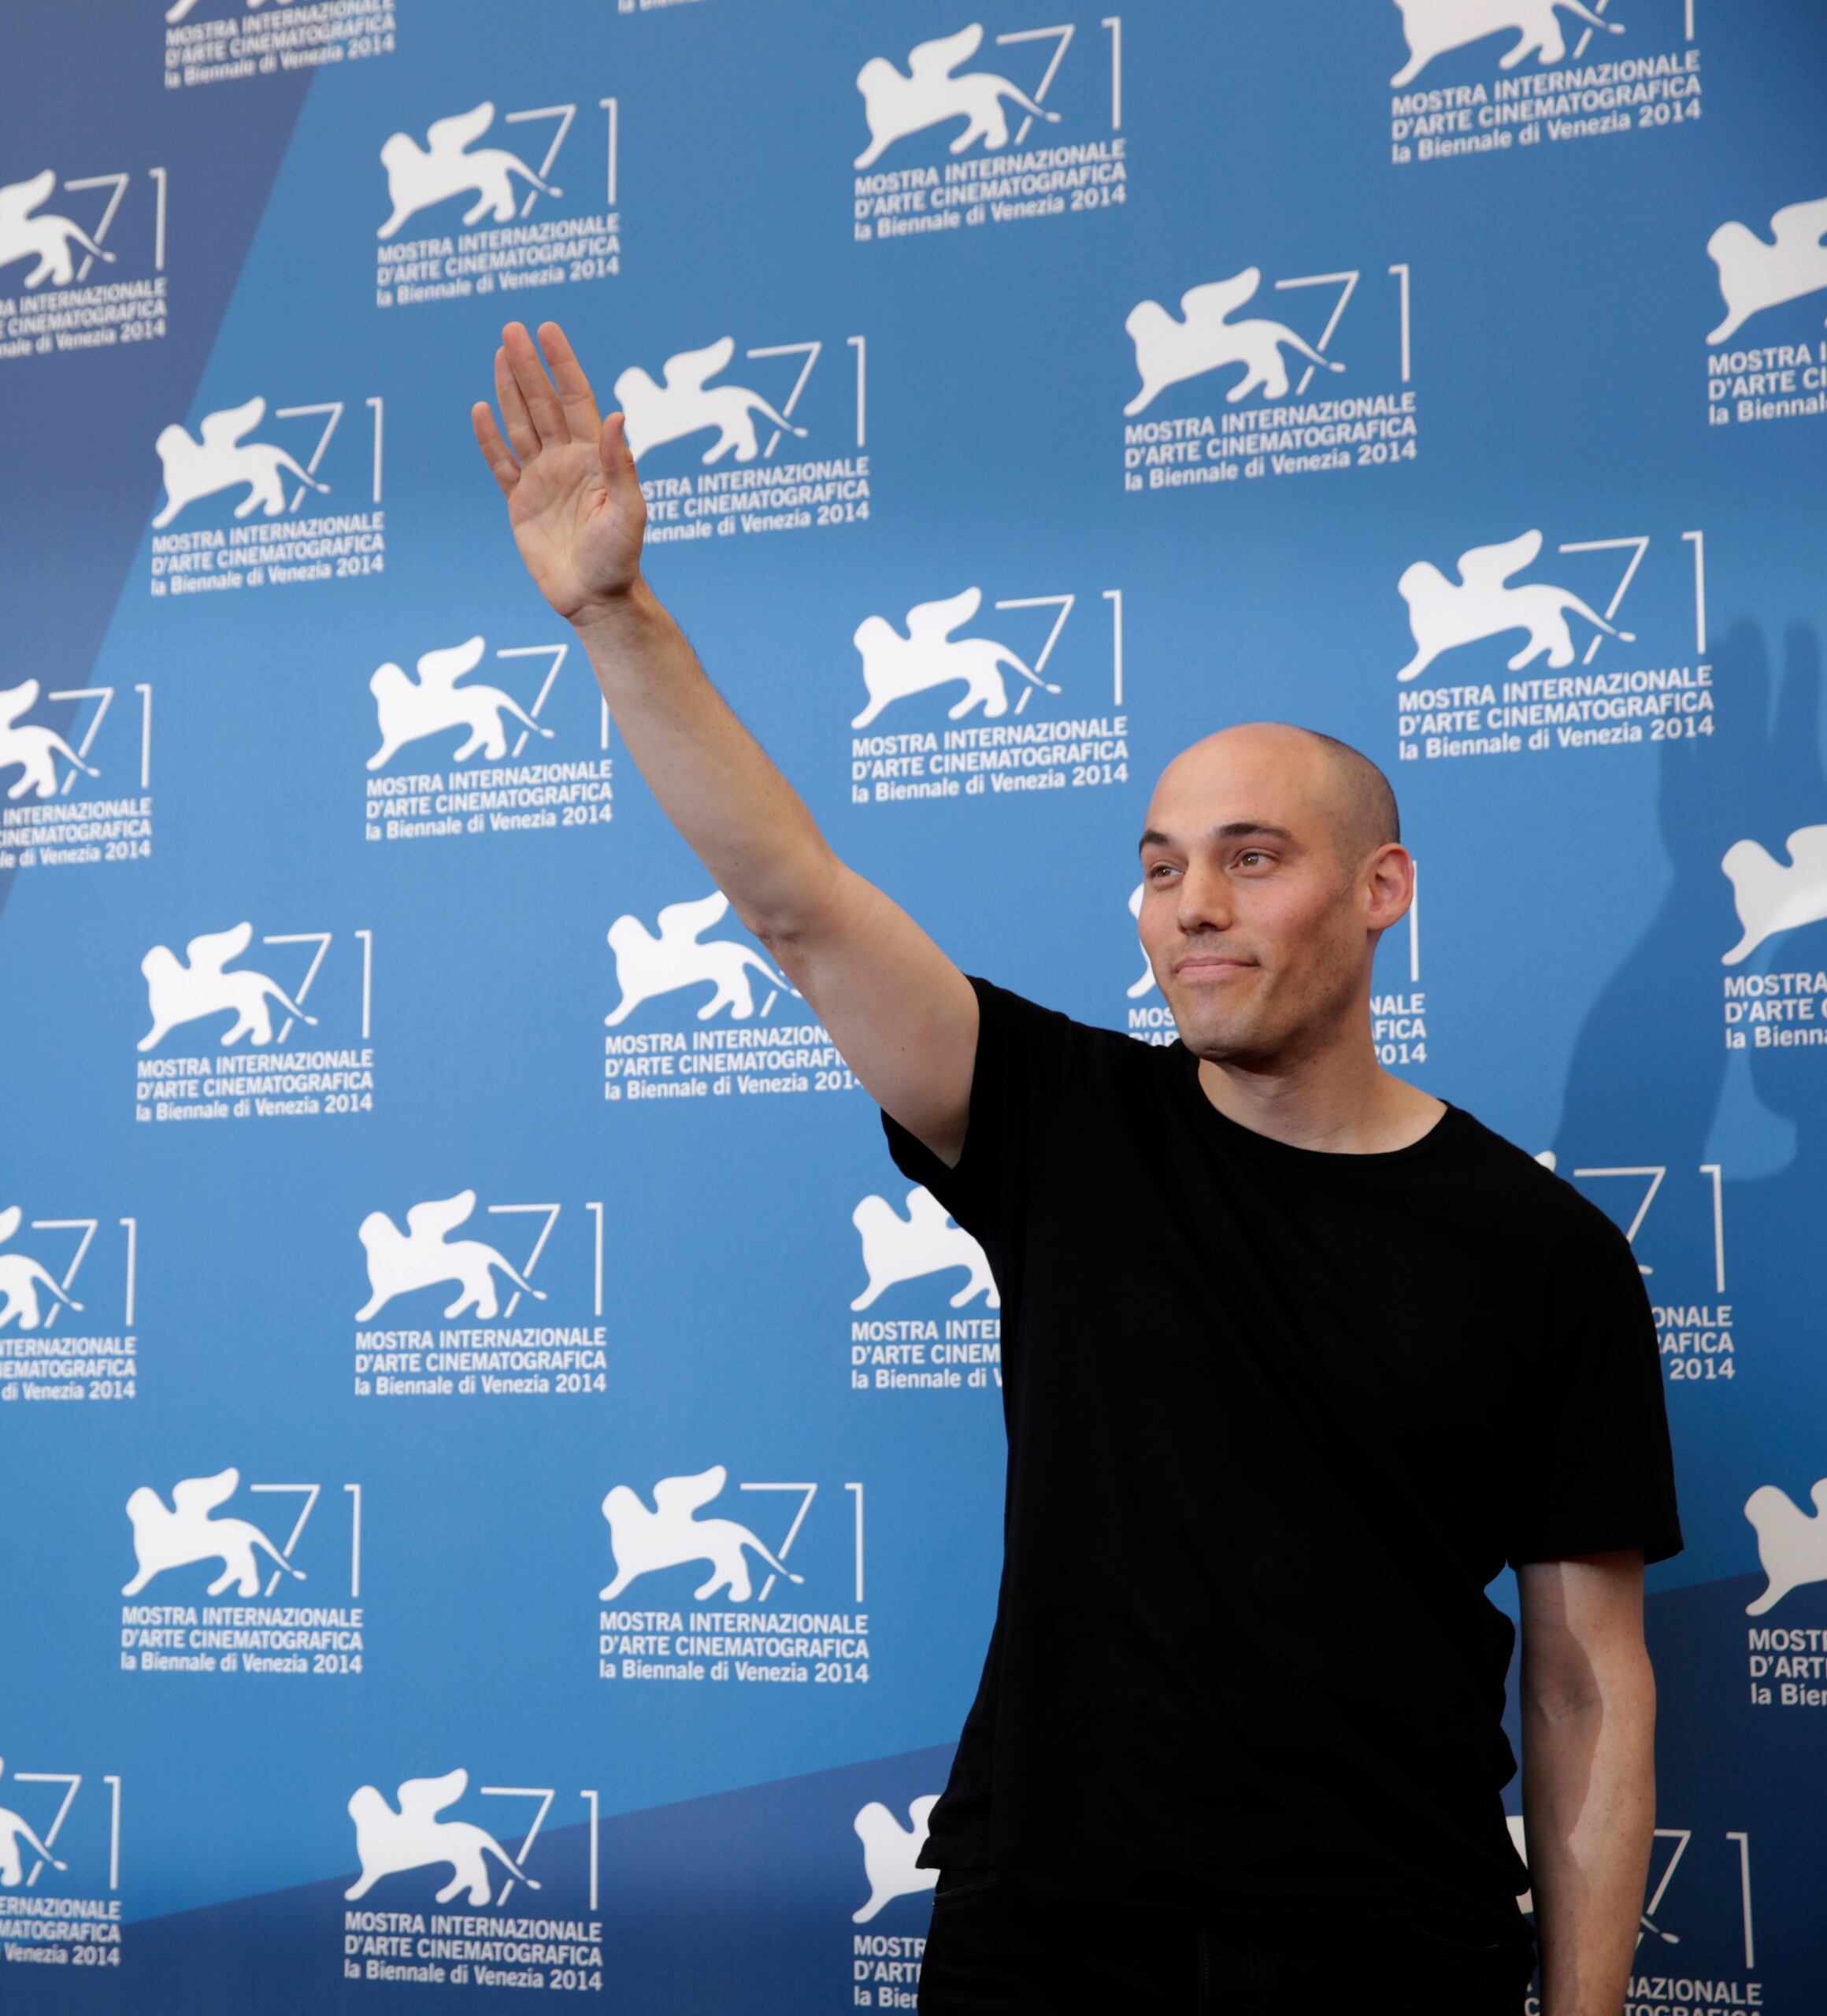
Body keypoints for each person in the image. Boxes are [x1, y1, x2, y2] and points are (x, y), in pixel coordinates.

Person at [472, 321, 1679, 2013]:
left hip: (1390, 1945)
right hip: (1047, 1933)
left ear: (1382, 889)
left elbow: (1586, 1681)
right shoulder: (1060, 1121)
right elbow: (800, 902)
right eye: (1162, 863)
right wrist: (614, 614)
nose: (1193, 905)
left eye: (1252, 860)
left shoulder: (1545, 1254)